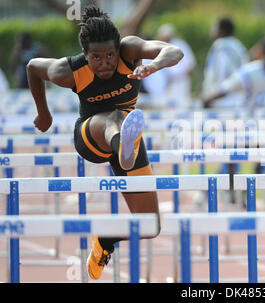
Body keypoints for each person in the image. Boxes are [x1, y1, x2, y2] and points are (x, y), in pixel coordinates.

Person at [26, 6, 183, 280]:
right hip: (91, 137)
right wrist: (43, 112)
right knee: (115, 117)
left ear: (117, 48)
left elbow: (174, 51)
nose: (105, 63)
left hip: (129, 148)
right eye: (96, 58)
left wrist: (154, 65)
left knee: (150, 225)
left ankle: (106, 240)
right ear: (85, 56)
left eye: (110, 55)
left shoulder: (130, 50)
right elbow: (33, 67)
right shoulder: (68, 70)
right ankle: (120, 139)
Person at [141, 24, 196, 109]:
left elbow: (190, 66)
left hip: (180, 81)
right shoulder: (162, 46)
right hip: (169, 82)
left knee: (181, 105)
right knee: (168, 106)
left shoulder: (180, 45)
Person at [202, 16, 249, 108]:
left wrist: (208, 94)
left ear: (222, 30)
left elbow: (218, 73)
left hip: (221, 100)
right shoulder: (238, 46)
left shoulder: (220, 46)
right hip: (238, 99)